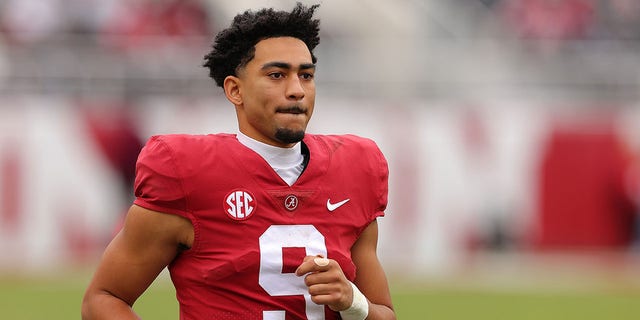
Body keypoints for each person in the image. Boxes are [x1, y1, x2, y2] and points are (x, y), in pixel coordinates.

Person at [81, 3, 396, 320]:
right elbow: (104, 298)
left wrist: (354, 302)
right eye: (276, 75)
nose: (297, 90)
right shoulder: (188, 171)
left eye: (306, 75)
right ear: (235, 89)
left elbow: (384, 314)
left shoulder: (355, 167)